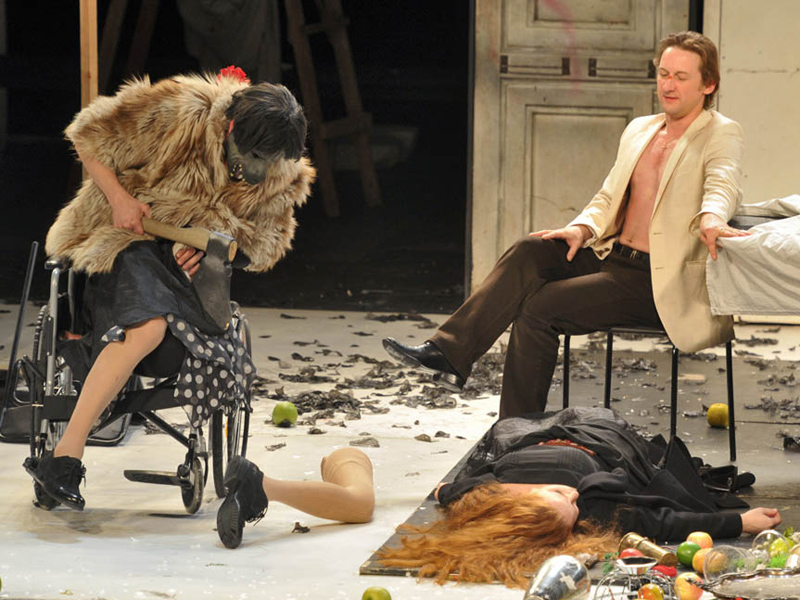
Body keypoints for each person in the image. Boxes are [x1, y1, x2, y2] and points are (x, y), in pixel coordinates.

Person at [383, 31, 750, 418]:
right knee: (531, 250)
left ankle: (515, 430)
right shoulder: (640, 129)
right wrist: (582, 229)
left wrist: (712, 216)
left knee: (539, 309)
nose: (668, 85)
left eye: (681, 77)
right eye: (663, 74)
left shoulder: (721, 132)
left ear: (708, 84)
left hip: (657, 282)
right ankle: (449, 352)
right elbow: (608, 196)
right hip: (612, 257)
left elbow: (723, 183)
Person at [28, 67, 315, 510]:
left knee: (175, 330)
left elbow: (266, 245)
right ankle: (66, 457)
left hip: (192, 273)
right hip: (127, 241)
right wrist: (120, 199)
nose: (259, 168)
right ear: (231, 127)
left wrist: (212, 247)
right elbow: (86, 135)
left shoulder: (284, 173)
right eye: (255, 154)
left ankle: (65, 458)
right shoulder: (181, 111)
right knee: (148, 327)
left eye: (271, 158)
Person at [377, 407, 782, 589]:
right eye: (572, 504)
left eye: (559, 494)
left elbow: (449, 492)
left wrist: (467, 491)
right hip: (602, 442)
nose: (573, 493)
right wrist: (740, 523)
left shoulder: (487, 497)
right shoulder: (595, 509)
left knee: (510, 426)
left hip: (534, 436)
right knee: (602, 416)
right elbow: (666, 523)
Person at [216, 447, 375, 549]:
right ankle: (262, 487)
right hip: (350, 459)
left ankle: (259, 487)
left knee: (360, 502)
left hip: (346, 462)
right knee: (362, 504)